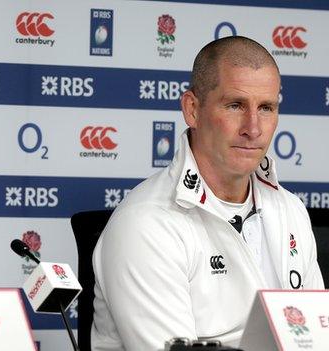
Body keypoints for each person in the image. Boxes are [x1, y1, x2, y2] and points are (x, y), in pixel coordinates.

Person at [91, 36, 324, 350]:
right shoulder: (145, 224)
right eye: (235, 105)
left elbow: (317, 339)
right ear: (192, 110)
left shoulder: (290, 209)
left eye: (266, 108)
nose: (253, 128)